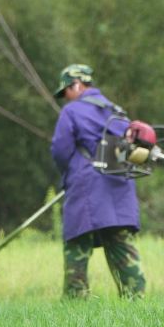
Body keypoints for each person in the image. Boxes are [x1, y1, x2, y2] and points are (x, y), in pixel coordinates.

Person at [51, 64, 146, 299]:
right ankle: (136, 298)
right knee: (121, 245)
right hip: (120, 190)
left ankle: (76, 299)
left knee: (77, 243)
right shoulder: (117, 111)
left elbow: (60, 150)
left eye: (66, 92)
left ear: (77, 85)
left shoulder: (72, 112)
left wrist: (70, 174)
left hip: (86, 189)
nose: (66, 99)